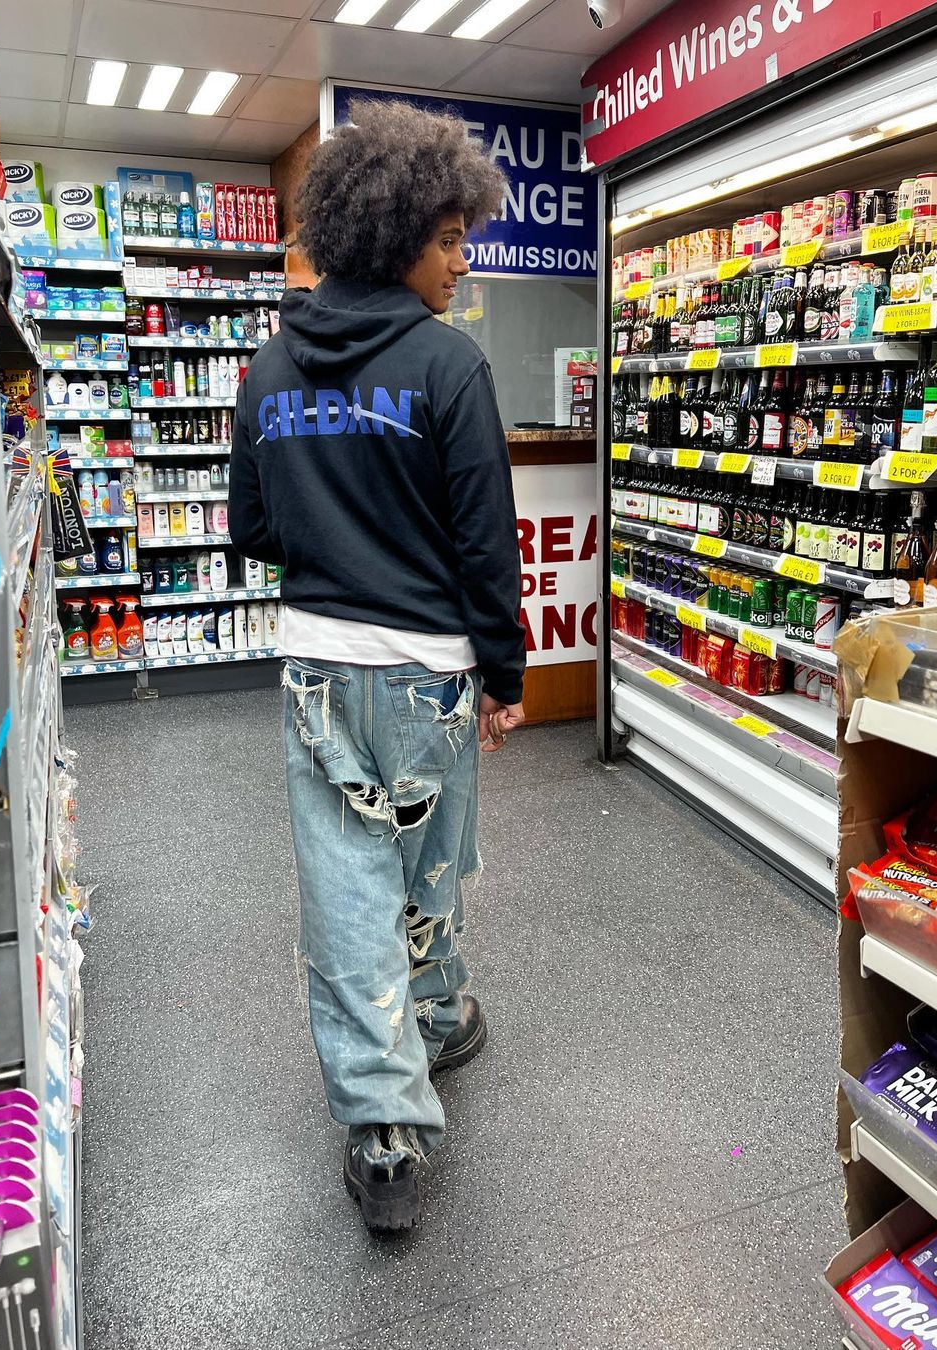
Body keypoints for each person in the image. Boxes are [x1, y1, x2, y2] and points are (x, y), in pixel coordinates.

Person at [228, 100, 526, 1234]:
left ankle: (393, 1103)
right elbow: (484, 544)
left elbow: (251, 530)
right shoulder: (449, 365)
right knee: (431, 858)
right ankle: (428, 1049)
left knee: (346, 885)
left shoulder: (269, 368)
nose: (461, 261)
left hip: (316, 667)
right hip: (429, 672)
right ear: (394, 234)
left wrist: (334, 527)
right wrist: (504, 675)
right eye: (448, 239)